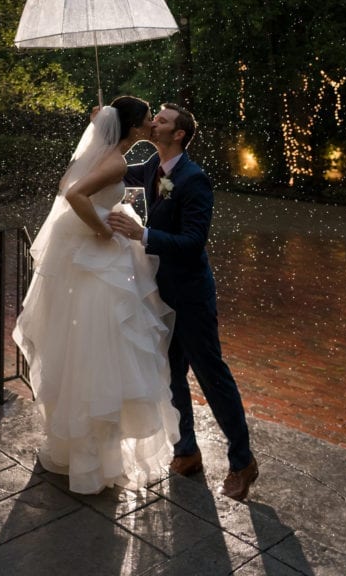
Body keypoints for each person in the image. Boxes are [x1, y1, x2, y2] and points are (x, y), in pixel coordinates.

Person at [12, 96, 180, 495]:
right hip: (100, 264)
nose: (153, 125)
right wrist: (104, 229)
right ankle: (95, 464)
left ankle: (81, 456)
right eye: (148, 120)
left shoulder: (107, 152)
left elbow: (66, 184)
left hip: (91, 264)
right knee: (104, 357)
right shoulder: (116, 161)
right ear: (136, 128)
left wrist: (103, 122)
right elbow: (73, 195)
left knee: (85, 355)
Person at [107, 102, 259, 501]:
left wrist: (141, 235)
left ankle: (243, 461)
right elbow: (113, 170)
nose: (154, 121)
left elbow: (193, 244)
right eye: (154, 116)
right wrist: (106, 128)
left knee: (212, 376)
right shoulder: (151, 169)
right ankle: (186, 451)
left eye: (163, 120)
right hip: (162, 294)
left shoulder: (194, 180)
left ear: (178, 135)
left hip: (191, 296)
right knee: (171, 373)